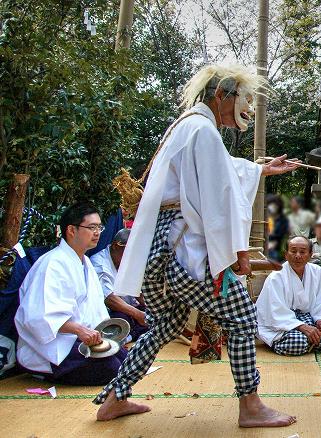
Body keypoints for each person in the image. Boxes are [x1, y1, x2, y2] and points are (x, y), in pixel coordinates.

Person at [93, 64, 299, 427]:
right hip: (183, 250)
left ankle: (114, 398)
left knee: (164, 325)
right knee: (242, 319)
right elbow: (218, 198)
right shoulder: (202, 131)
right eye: (241, 97)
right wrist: (237, 256)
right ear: (220, 95)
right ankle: (250, 406)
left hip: (161, 251)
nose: (246, 106)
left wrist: (260, 169)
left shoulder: (188, 126)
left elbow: (215, 172)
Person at [15, 202, 127, 385]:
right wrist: (80, 330)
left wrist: (101, 335)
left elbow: (93, 308)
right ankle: (43, 372)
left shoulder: (86, 263)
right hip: (54, 346)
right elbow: (39, 316)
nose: (97, 232)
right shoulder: (52, 264)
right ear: (71, 230)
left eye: (99, 227)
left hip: (81, 338)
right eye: (91, 227)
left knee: (125, 359)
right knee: (112, 369)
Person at [255, 237, 321, 356]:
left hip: (310, 318)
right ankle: (295, 343)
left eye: (302, 252)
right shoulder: (276, 277)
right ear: (286, 254)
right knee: (297, 343)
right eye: (293, 251)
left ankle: (307, 342)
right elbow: (275, 311)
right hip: (284, 322)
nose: (297, 256)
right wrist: (301, 326)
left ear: (310, 254)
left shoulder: (318, 272)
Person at [90, 228, 148, 342]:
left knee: (151, 314)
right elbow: (109, 299)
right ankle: (131, 335)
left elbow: (136, 290)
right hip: (112, 312)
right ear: (116, 246)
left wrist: (152, 309)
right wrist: (138, 315)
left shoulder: (128, 262)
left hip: (130, 308)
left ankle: (132, 334)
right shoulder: (98, 262)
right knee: (120, 319)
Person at [266, 196, 289, 261]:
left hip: (276, 249)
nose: (271, 206)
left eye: (273, 204)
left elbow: (280, 236)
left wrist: (272, 244)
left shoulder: (283, 220)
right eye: (269, 204)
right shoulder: (265, 217)